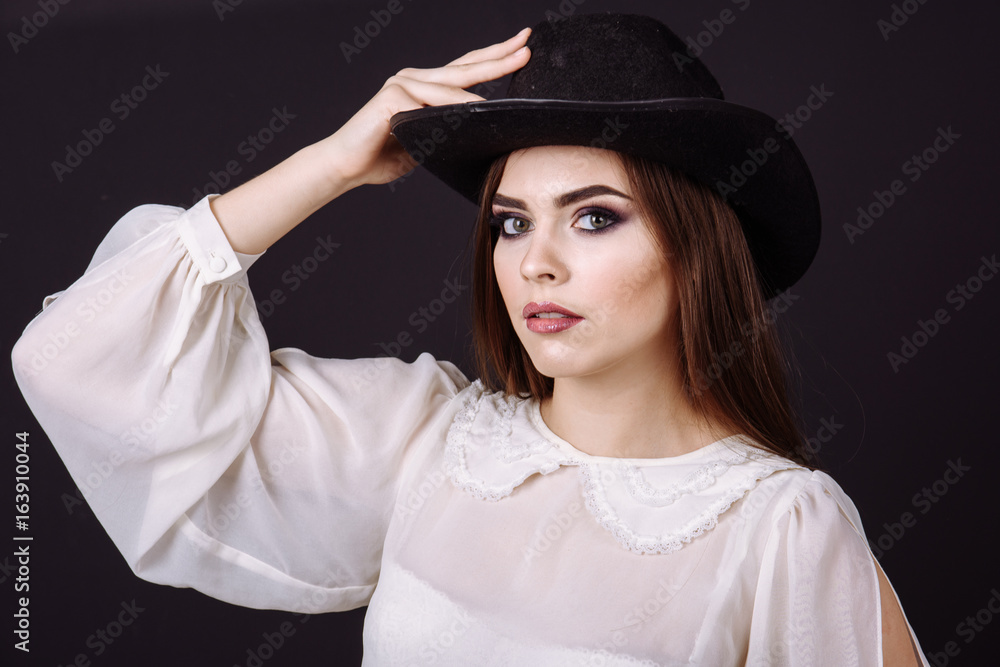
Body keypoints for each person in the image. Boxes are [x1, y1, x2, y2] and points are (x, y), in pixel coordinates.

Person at [12, 12, 928, 666]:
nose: (537, 263)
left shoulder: (781, 531)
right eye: (512, 223)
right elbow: (80, 362)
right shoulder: (426, 444)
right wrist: (329, 164)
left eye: (596, 218)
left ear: (697, 249)